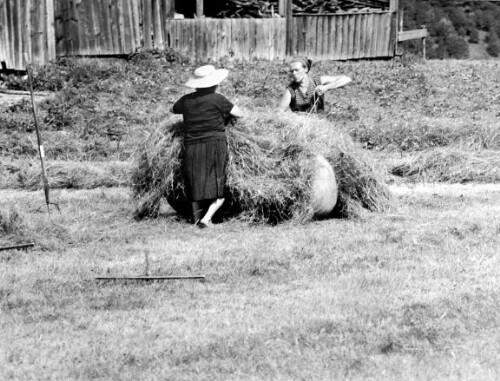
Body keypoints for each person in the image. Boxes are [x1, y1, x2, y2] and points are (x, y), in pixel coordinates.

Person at [172, 65, 243, 228]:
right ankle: (207, 218)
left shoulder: (186, 100)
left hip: (192, 145)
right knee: (218, 181)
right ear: (214, 84)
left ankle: (197, 218)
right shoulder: (217, 99)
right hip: (214, 143)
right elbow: (239, 113)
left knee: (195, 182)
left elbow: (172, 109)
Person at [278, 56, 352, 113]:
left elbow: (347, 79)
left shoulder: (317, 81)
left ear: (306, 69)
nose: (294, 73)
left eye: (297, 70)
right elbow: (279, 111)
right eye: (292, 71)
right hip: (301, 125)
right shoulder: (291, 90)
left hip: (319, 123)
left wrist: (326, 87)